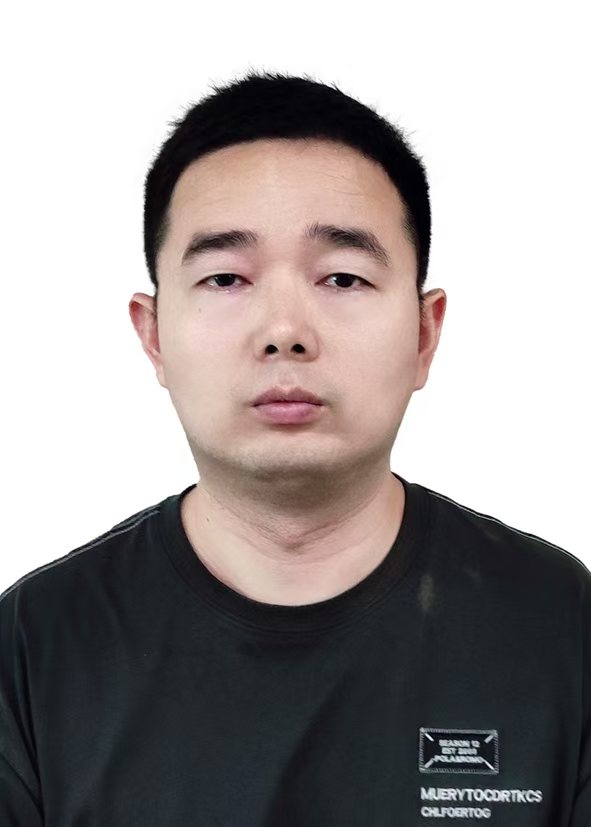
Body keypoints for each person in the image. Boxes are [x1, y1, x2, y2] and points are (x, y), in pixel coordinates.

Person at [1, 71, 588, 826]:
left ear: (424, 333)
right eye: (225, 278)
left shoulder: (560, 626)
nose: (285, 330)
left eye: (341, 277)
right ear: (153, 337)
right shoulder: (35, 646)